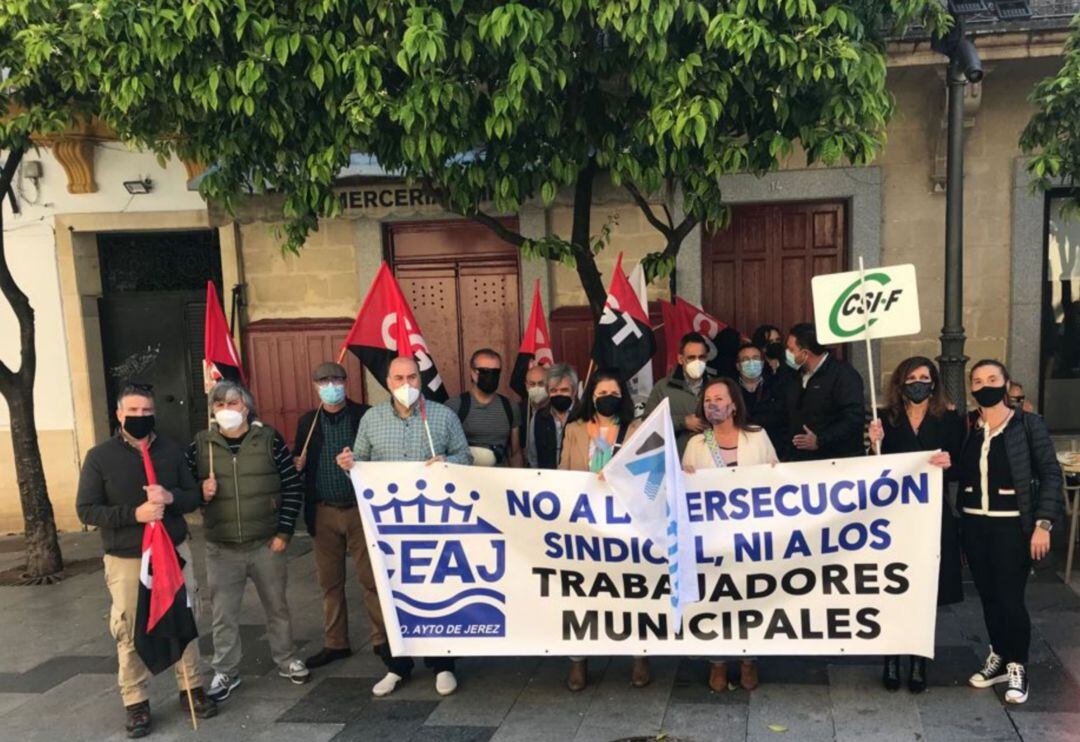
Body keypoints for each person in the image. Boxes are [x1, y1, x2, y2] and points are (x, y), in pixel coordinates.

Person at [76, 384, 217, 738]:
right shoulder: (99, 457)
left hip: (172, 549)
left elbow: (190, 497)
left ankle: (191, 687)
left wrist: (171, 497)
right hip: (128, 555)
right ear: (119, 415)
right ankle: (136, 700)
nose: (141, 417)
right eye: (133, 411)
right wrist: (134, 514)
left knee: (183, 615)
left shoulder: (171, 451)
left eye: (146, 411)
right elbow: (87, 509)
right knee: (130, 626)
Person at [335, 356, 472, 697]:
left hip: (435, 524)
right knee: (390, 592)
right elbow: (360, 463)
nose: (406, 384)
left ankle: (442, 664)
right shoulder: (372, 418)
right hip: (389, 528)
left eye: (412, 377)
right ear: (388, 380)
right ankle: (396, 666)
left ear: (420, 379)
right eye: (399, 378)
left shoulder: (442, 416)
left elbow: (465, 458)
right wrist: (348, 463)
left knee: (438, 590)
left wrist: (447, 462)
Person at [188, 381, 309, 703]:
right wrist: (200, 490)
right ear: (213, 411)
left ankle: (286, 658)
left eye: (234, 404)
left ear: (247, 407)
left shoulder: (268, 439)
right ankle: (225, 669)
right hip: (222, 546)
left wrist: (284, 532)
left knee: (277, 606)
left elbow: (291, 486)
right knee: (223, 613)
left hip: (266, 543)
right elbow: (182, 490)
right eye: (220, 405)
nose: (228, 411)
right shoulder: (201, 445)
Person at [959, 360, 1062, 705]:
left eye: (991, 378)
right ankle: (999, 657)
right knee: (988, 596)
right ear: (971, 388)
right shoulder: (968, 427)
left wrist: (1043, 523)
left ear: (1005, 383)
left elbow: (1050, 473)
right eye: (977, 380)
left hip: (1012, 526)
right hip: (975, 523)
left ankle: (1018, 663)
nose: (984, 384)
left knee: (1009, 597)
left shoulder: (1028, 425)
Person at [867, 357, 961, 693]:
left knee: (923, 592)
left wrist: (950, 463)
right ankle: (891, 658)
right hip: (894, 521)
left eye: (925, 377)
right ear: (901, 383)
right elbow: (871, 473)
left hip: (933, 515)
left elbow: (961, 463)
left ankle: (919, 661)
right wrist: (871, 443)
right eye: (912, 377)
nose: (918, 383)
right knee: (892, 588)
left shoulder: (949, 418)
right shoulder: (885, 419)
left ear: (933, 383)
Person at [682, 377, 778, 693]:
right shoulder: (696, 445)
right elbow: (683, 490)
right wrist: (688, 478)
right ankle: (718, 662)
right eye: (708, 400)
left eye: (720, 398)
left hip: (750, 537)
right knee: (716, 598)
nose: (713, 404)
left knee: (750, 596)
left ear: (734, 404)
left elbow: (778, 476)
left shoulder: (757, 436)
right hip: (711, 538)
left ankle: (749, 659)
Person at [560, 370, 644, 690]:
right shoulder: (575, 429)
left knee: (630, 591)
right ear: (590, 395)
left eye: (613, 391)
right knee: (583, 592)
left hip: (625, 525)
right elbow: (563, 473)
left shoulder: (635, 429)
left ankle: (639, 654)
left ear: (622, 396)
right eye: (601, 391)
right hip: (585, 525)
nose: (607, 397)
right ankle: (579, 659)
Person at [292, 362, 371, 670]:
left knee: (370, 579)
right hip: (323, 511)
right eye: (323, 380)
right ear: (315, 385)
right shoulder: (308, 422)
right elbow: (301, 460)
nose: (331, 384)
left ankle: (383, 640)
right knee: (330, 582)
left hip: (358, 510)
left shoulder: (363, 415)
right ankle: (335, 642)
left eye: (336, 379)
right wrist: (297, 464)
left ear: (346, 382)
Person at [780, 323, 865, 462]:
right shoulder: (793, 375)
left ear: (805, 353)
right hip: (801, 462)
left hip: (837, 463)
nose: (787, 353)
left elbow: (853, 419)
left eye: (791, 349)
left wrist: (820, 440)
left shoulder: (843, 375)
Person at [447, 348, 521, 466]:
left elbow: (515, 453)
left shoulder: (510, 407)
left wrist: (519, 481)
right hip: (465, 478)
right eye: (485, 371)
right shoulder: (455, 406)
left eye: (495, 372)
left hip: (500, 479)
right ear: (472, 372)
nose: (490, 376)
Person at [644, 332, 711, 457]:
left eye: (701, 357)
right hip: (676, 460)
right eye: (691, 357)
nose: (697, 362)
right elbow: (648, 424)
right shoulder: (663, 387)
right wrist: (683, 422)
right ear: (680, 359)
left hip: (710, 458)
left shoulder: (716, 387)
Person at [528, 362, 578, 468]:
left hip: (577, 481)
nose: (559, 394)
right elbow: (533, 457)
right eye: (553, 390)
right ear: (547, 391)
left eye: (564, 390)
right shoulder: (538, 417)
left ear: (574, 391)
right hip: (547, 481)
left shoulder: (585, 416)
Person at [734, 342, 785, 446]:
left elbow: (781, 416)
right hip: (740, 444)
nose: (751, 362)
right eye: (745, 359)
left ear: (762, 363)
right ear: (738, 366)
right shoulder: (730, 390)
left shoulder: (777, 385)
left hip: (773, 444)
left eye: (755, 358)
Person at [520, 363, 550, 468]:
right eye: (532, 384)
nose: (536, 388)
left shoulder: (555, 409)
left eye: (541, 384)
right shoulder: (520, 409)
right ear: (526, 385)